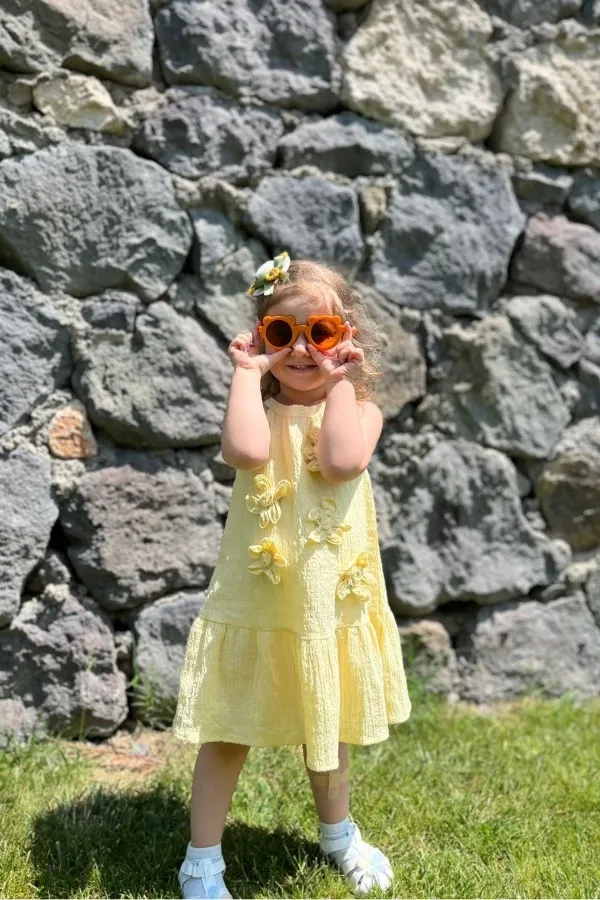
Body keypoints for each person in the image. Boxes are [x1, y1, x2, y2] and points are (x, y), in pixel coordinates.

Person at [172, 253, 412, 899]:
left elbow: (339, 462)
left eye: (321, 333)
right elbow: (246, 451)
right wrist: (246, 373)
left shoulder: (362, 412)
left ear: (346, 337)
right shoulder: (256, 406)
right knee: (228, 730)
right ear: (260, 336)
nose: (302, 349)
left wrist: (341, 383)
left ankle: (338, 835)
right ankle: (202, 861)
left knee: (326, 725)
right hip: (259, 596)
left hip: (326, 598)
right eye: (283, 333)